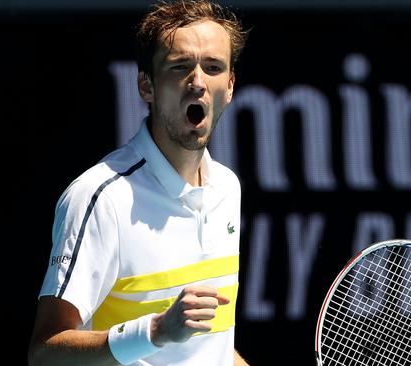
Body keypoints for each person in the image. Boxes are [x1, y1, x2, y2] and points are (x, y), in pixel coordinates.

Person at [28, 1, 249, 365]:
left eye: (212, 68)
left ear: (229, 86)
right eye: (180, 67)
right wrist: (156, 331)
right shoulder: (100, 198)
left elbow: (210, 350)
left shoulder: (227, 189)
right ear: (146, 85)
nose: (197, 83)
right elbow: (44, 352)